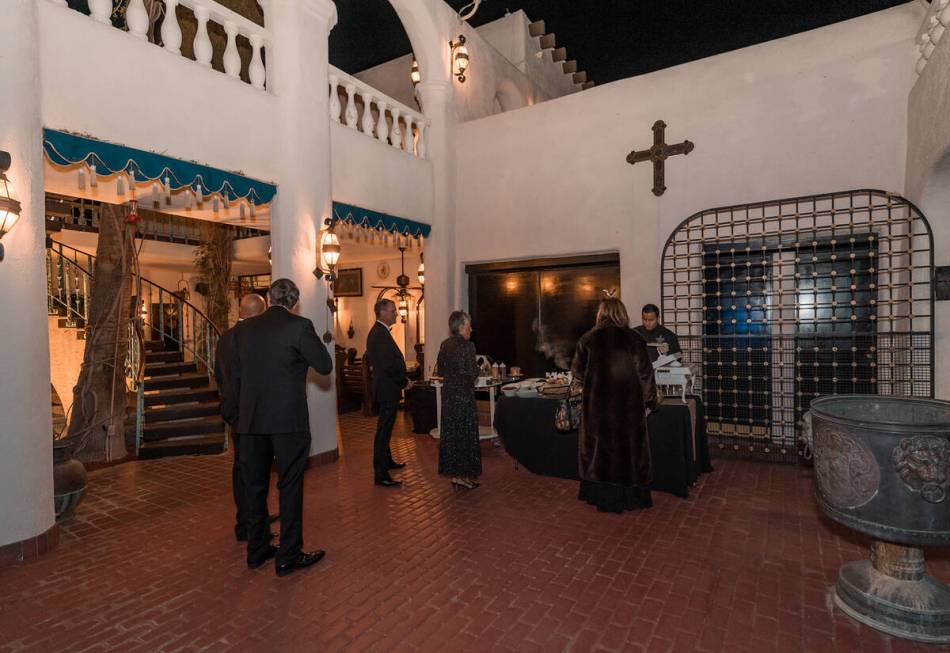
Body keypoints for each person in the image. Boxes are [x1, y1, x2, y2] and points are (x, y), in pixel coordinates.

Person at [228, 278, 333, 577]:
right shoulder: (299, 327)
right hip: (288, 421)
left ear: (268, 297)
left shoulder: (244, 330)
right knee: (289, 486)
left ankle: (256, 550)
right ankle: (287, 555)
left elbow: (234, 374)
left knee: (255, 486)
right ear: (294, 301)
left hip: (250, 422)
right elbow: (324, 366)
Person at [571, 297, 658, 513]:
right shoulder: (635, 338)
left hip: (597, 407)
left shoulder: (587, 339)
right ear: (623, 314)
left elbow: (577, 373)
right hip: (628, 407)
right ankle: (630, 496)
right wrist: (649, 402)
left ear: (601, 314)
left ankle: (599, 494)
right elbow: (646, 374)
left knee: (599, 450)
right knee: (629, 450)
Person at [214, 293, 276, 543]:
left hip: (233, 411)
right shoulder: (251, 338)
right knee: (254, 470)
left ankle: (249, 517)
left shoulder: (225, 337)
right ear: (259, 313)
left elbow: (219, 375)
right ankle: (250, 523)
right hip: (251, 413)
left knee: (241, 467)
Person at [365, 298, 410, 487]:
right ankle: (380, 474)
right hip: (387, 389)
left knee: (387, 428)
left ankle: (388, 461)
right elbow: (389, 365)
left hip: (387, 388)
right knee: (383, 431)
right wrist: (404, 382)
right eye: (393, 311)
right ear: (382, 312)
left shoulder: (381, 332)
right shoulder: (379, 334)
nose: (396, 314)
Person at [436, 311, 481, 490]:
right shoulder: (468, 346)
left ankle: (456, 476)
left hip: (448, 397)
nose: (471, 328)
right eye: (469, 324)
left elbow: (440, 371)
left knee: (452, 436)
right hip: (463, 397)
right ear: (462, 326)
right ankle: (463, 476)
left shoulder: (445, 345)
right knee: (465, 436)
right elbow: (473, 373)